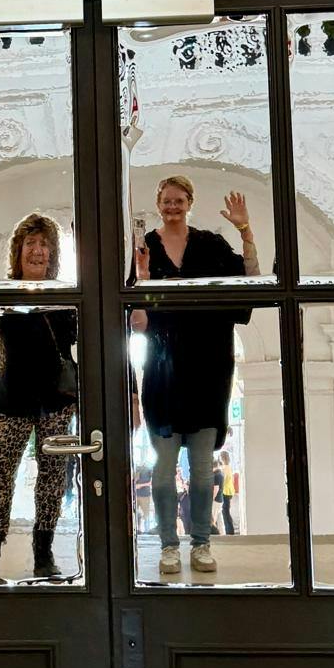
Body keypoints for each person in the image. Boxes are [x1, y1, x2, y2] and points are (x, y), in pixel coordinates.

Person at [131, 175, 255, 577]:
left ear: (189, 203)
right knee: (163, 473)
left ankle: (201, 543)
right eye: (166, 200)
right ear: (158, 204)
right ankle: (169, 546)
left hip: (208, 374)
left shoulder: (211, 245)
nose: (172, 206)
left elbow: (248, 285)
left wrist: (245, 229)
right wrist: (143, 277)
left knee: (202, 473)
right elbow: (136, 322)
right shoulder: (144, 248)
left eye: (179, 200)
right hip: (163, 375)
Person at [0, 213, 77, 584]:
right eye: (30, 244)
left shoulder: (64, 294)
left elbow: (78, 338)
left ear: (52, 254)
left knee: (52, 478)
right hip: (13, 401)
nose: (37, 251)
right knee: (0, 477)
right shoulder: (4, 290)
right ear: (18, 251)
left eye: (44, 245)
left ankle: (44, 555)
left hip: (56, 401)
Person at [219, 451, 237, 536]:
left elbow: (223, 480)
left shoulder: (224, 469)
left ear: (221, 458)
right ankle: (230, 530)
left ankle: (229, 531)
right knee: (226, 511)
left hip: (225, 492)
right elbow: (231, 480)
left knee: (225, 512)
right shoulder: (229, 467)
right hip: (229, 491)